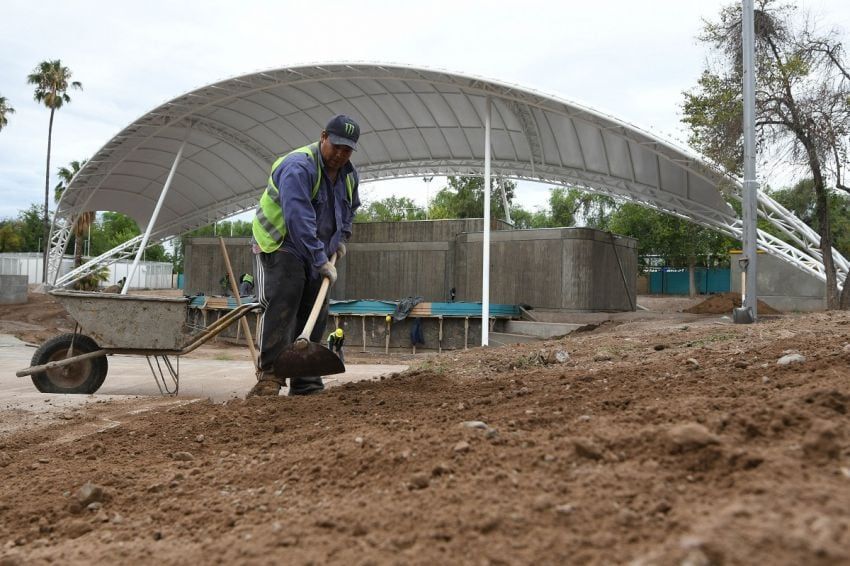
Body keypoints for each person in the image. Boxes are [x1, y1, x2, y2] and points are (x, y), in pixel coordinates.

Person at [248, 114, 361, 396]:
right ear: (323, 137)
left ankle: (306, 379)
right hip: (281, 241)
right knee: (286, 295)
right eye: (335, 146)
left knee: (317, 307)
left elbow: (349, 209)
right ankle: (270, 376)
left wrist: (342, 239)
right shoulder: (299, 167)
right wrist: (320, 259)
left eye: (346, 150)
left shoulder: (349, 175)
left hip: (316, 246)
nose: (339, 154)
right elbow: (298, 219)